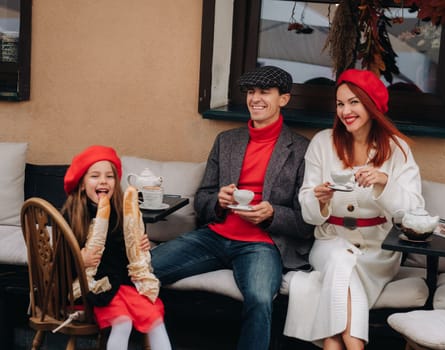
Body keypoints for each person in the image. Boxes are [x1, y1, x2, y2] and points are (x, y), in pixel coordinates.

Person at [151, 65, 314, 350]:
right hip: (214, 237)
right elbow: (202, 199)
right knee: (142, 270)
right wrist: (218, 201)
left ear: (283, 99)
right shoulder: (227, 141)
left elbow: (306, 221)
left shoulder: (301, 149)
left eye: (265, 92)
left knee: (261, 299)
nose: (256, 99)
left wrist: (273, 213)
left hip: (262, 245)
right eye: (251, 92)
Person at [283, 69, 425, 350]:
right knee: (338, 259)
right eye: (339, 104)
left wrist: (386, 183)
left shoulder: (397, 149)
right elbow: (309, 213)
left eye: (353, 102)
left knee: (339, 282)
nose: (345, 111)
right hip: (330, 240)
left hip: (378, 251)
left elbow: (413, 213)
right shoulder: (323, 143)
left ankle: (337, 344)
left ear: (371, 105)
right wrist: (320, 199)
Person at [61, 145, 172, 350]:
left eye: (109, 176)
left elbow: (124, 257)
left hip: (119, 284)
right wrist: (79, 260)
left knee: (154, 317)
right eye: (95, 176)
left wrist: (140, 248)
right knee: (122, 322)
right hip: (88, 290)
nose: (103, 181)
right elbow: (57, 262)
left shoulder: (121, 212)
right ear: (83, 184)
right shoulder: (72, 215)